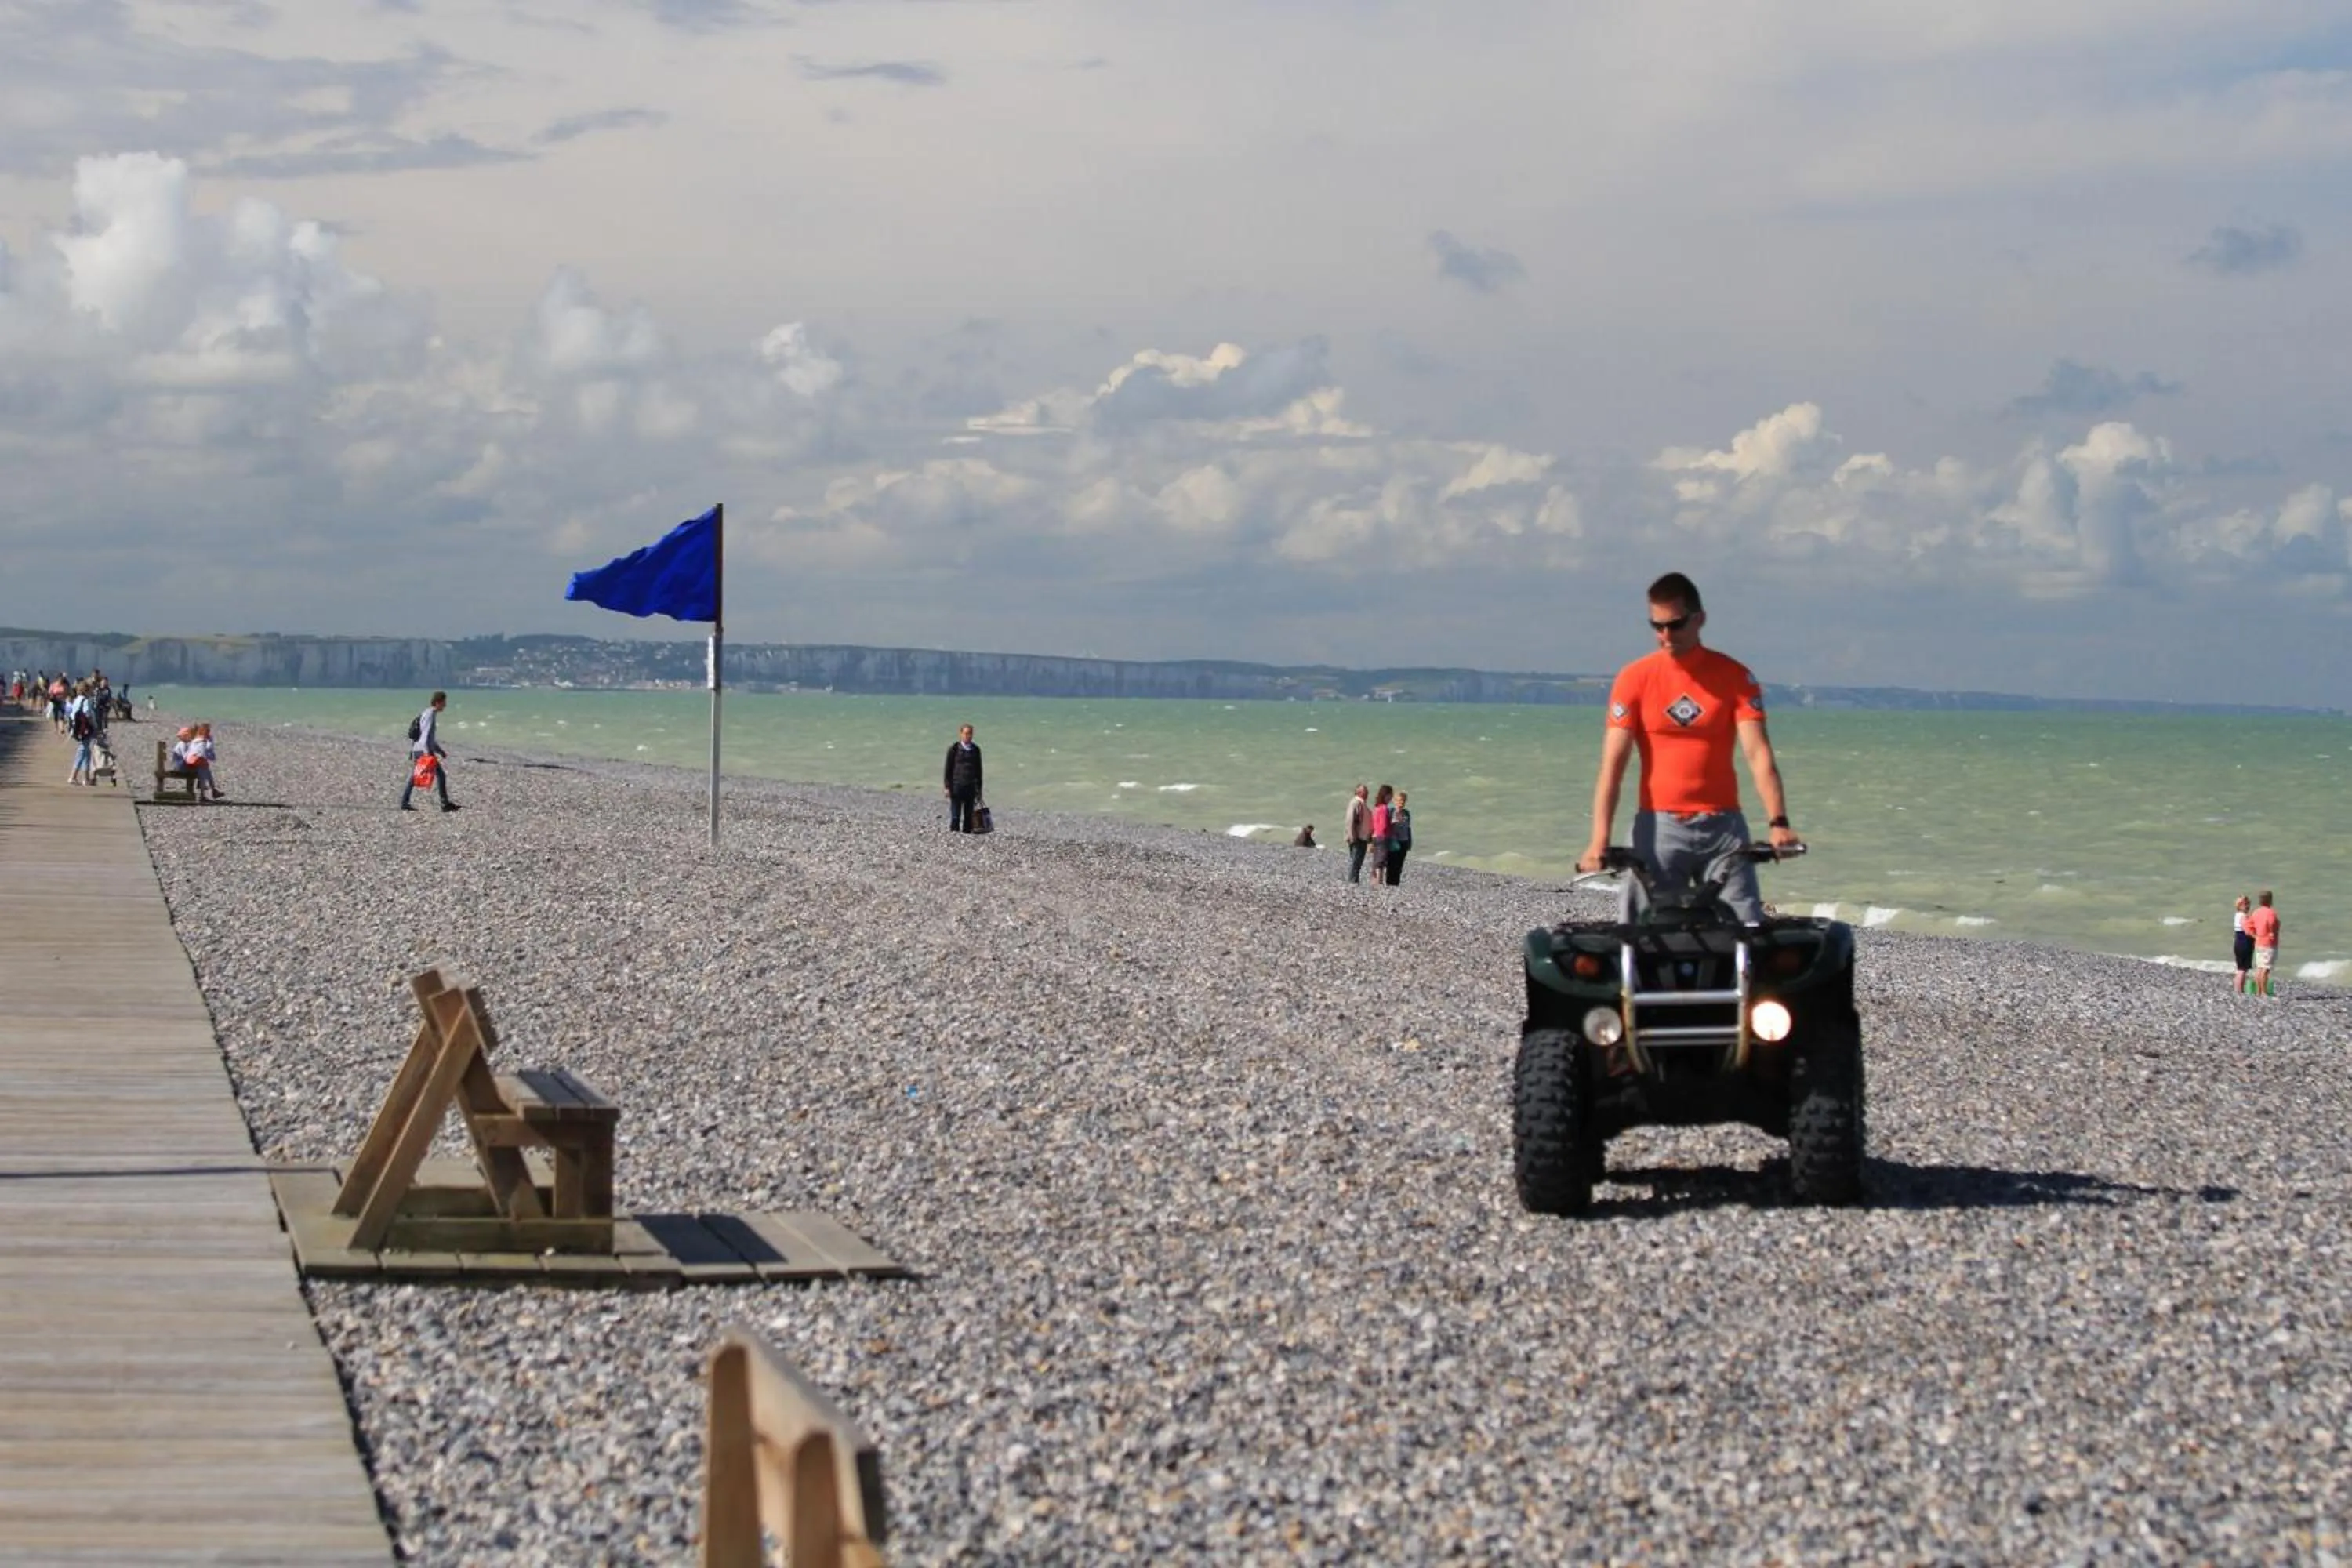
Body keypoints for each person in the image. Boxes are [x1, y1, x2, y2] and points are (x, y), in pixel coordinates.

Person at [1577, 572, 1799, 923]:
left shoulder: (1734, 677)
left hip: (1723, 829)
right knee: (1641, 932)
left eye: (1676, 625)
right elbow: (1613, 767)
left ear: (1700, 619)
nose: (1666, 636)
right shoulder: (1634, 679)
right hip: (1659, 828)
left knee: (1747, 928)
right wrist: (1598, 841)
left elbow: (1758, 754)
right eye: (1657, 626)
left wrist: (1779, 823)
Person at [401, 691, 459, 812]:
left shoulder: (427, 713)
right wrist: (428, 753)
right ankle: (444, 804)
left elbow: (428, 737)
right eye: (444, 702)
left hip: (418, 749)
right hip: (423, 751)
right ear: (438, 702)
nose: (445, 705)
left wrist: (440, 751)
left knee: (415, 776)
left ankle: (404, 802)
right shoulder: (430, 714)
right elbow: (426, 736)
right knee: (441, 775)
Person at [942, 724, 983, 833]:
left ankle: (967, 835)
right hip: (957, 786)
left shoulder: (976, 750)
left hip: (970, 787)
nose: (968, 736)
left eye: (970, 734)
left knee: (968, 816)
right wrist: (947, 787)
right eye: (965, 733)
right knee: (955, 816)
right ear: (961, 734)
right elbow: (948, 769)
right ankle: (954, 835)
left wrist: (979, 789)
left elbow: (979, 771)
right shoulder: (954, 749)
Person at [2245, 891, 2281, 998]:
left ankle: (2259, 992)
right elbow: (2272, 922)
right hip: (2268, 943)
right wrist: (2272, 932)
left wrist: (2255, 936)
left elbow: (2247, 926)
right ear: (2270, 900)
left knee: (2260, 968)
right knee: (2266, 968)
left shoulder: (2256, 912)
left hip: (2259, 942)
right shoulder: (2270, 912)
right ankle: (2264, 992)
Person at [1343, 784, 1372, 883]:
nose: (1368, 793)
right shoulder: (1355, 803)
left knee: (1358, 862)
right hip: (1357, 837)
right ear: (1359, 792)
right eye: (1366, 791)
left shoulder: (1362, 803)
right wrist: (1352, 837)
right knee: (1355, 862)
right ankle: (1352, 882)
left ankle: (1355, 881)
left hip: (1363, 837)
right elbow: (1350, 820)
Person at [1368, 784, 1395, 885]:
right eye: (1391, 795)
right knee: (1381, 860)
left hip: (1375, 835)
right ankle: (1379, 881)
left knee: (1376, 859)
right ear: (1386, 795)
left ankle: (1375, 881)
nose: (1391, 798)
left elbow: (1373, 823)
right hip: (1382, 836)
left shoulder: (1377, 807)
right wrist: (1392, 825)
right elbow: (1384, 826)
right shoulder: (1384, 808)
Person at [1386, 790, 1414, 885]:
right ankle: (1389, 884)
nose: (1401, 803)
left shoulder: (1406, 813)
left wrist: (1409, 842)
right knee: (1391, 864)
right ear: (1394, 801)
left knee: (1399, 865)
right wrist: (1392, 823)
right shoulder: (1391, 811)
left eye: (1403, 801)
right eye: (1399, 800)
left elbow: (1408, 828)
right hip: (1393, 842)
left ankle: (1396, 884)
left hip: (1404, 842)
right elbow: (1385, 826)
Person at [2231, 895, 2254, 996]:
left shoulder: (2237, 915)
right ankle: (2239, 990)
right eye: (2245, 904)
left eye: (2248, 904)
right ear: (2240, 905)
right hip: (2244, 944)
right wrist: (2257, 937)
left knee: (2241, 968)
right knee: (2242, 969)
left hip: (2239, 943)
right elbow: (2247, 930)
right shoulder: (2243, 916)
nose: (2248, 906)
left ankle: (2238, 989)